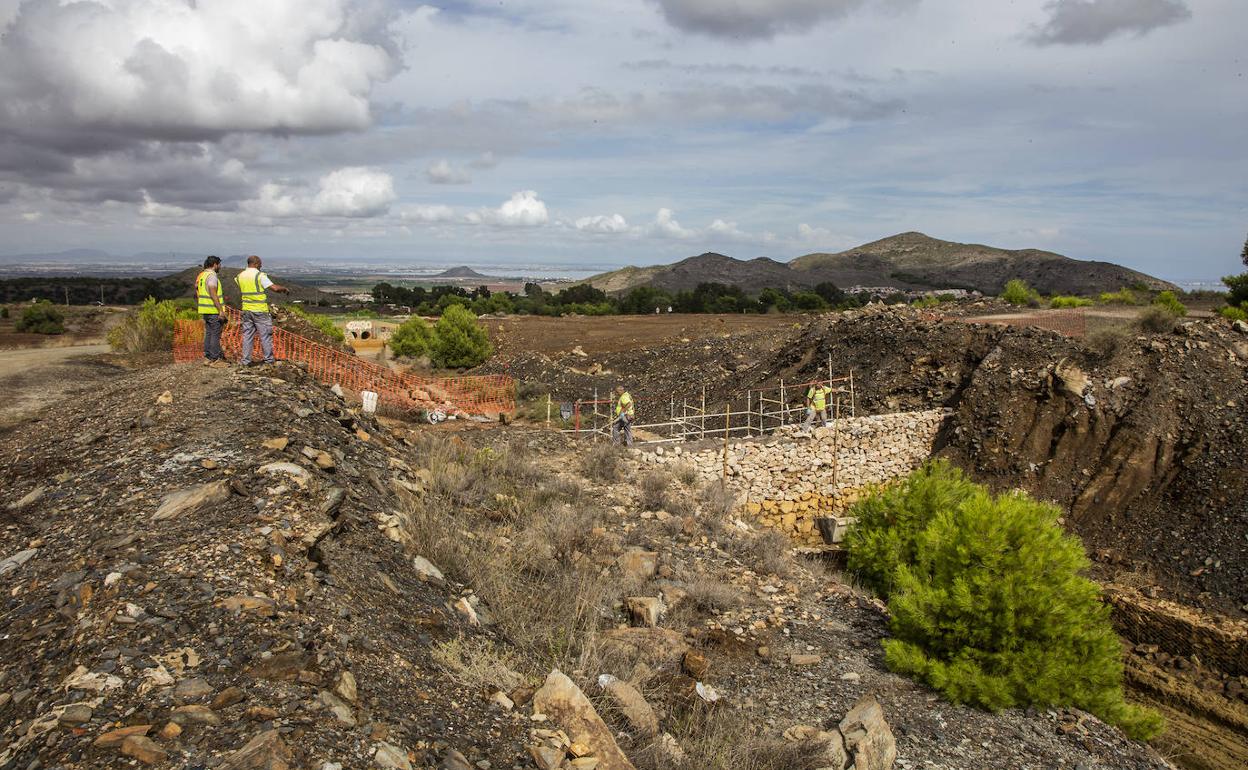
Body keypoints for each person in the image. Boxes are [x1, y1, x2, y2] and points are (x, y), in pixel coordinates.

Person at [234, 255, 289, 366]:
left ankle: (245, 361)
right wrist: (284, 288)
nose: (261, 266)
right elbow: (274, 288)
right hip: (259, 310)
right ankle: (269, 360)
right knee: (265, 336)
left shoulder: (240, 276)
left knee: (247, 336)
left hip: (246, 309)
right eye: (260, 264)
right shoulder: (259, 275)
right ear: (256, 263)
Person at [195, 256, 228, 366]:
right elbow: (213, 292)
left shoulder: (202, 275)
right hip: (213, 309)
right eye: (219, 264)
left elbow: (196, 288)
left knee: (209, 333)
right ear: (215, 264)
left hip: (205, 309)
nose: (220, 267)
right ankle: (215, 358)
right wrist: (221, 310)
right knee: (215, 334)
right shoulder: (212, 276)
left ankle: (208, 356)